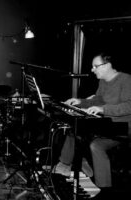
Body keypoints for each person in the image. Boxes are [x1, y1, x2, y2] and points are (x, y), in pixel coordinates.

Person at [53, 51, 131, 199]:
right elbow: (98, 100)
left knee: (96, 145)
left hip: (124, 127)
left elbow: (129, 106)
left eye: (95, 66)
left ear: (108, 65)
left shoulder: (126, 80)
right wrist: (80, 101)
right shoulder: (103, 82)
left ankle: (104, 189)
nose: (92, 70)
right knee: (74, 128)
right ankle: (65, 165)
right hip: (106, 123)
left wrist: (103, 109)